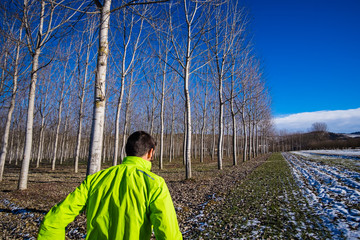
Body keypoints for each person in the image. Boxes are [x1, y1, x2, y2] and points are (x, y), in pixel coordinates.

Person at [38, 131, 182, 240]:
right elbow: (168, 233)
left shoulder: (95, 179)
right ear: (151, 152)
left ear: (127, 151)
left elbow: (52, 222)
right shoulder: (154, 183)